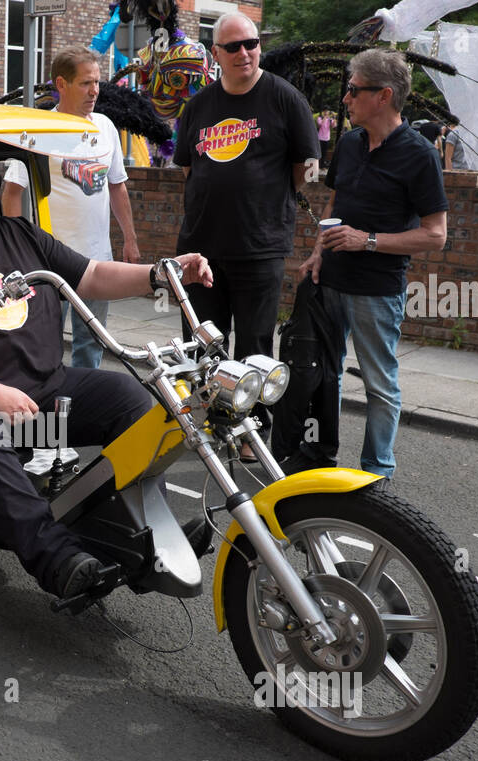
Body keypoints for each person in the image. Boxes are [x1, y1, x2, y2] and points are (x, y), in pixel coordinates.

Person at [0, 143, 212, 601]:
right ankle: (58, 561)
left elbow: (90, 277)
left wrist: (162, 274)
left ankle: (148, 536)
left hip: (42, 398)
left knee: (133, 402)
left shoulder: (22, 235)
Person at [174, 11, 320, 456]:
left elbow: (305, 168)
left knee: (254, 347)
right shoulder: (198, 106)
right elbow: (188, 167)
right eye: (234, 46)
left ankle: (249, 433)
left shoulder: (284, 98)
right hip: (201, 249)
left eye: (252, 43)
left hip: (260, 248)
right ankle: (205, 426)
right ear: (216, 53)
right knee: (200, 344)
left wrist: (266, 202)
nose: (245, 53)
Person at [297, 49, 448, 479]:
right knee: (326, 376)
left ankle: (376, 472)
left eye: (353, 89)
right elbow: (335, 200)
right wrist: (316, 252)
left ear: (383, 96)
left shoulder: (420, 155)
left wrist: (369, 241)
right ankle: (322, 457)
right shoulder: (348, 142)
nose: (345, 98)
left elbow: (436, 235)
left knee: (379, 385)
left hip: (378, 291)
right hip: (332, 281)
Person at [2, 46, 141, 369]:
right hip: (53, 261)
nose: (95, 91)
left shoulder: (105, 126)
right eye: (85, 83)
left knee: (90, 348)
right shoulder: (38, 128)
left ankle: (85, 413)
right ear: (61, 84)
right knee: (44, 345)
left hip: (99, 262)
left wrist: (130, 239)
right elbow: (11, 192)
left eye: (97, 83)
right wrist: (18, 250)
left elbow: (117, 185)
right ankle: (50, 411)